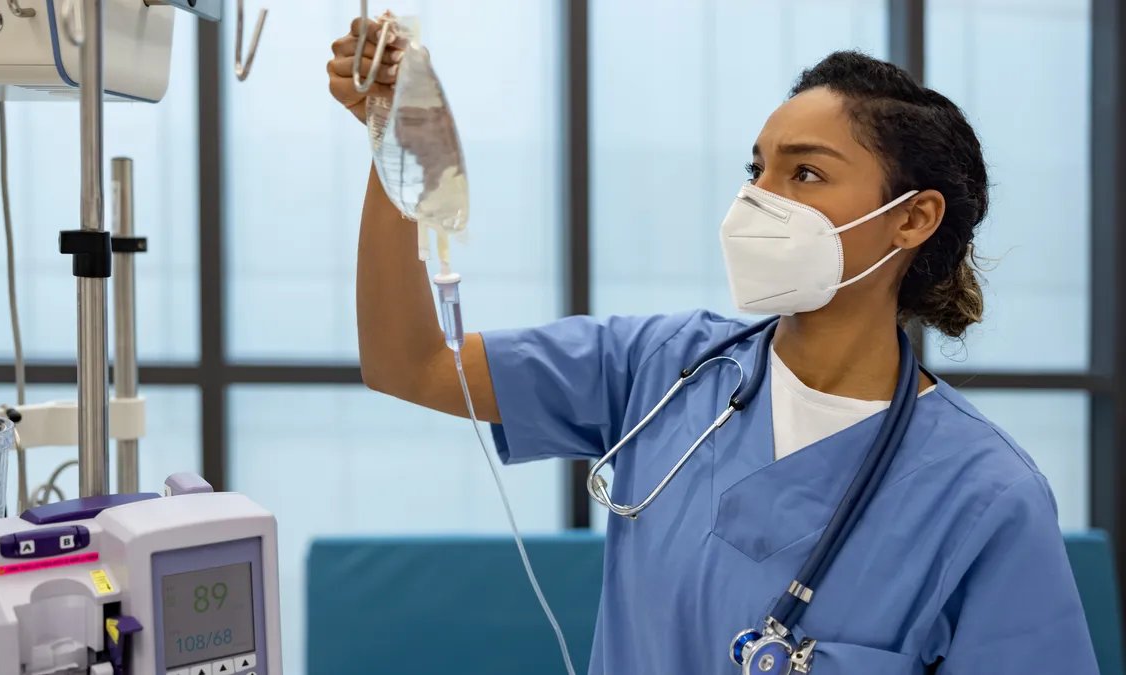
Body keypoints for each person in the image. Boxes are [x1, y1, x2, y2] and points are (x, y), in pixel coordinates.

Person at [329, 18, 1099, 675]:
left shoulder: (984, 496)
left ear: (912, 218)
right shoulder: (660, 366)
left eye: (805, 173)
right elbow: (409, 362)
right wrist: (394, 136)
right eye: (757, 168)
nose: (760, 198)